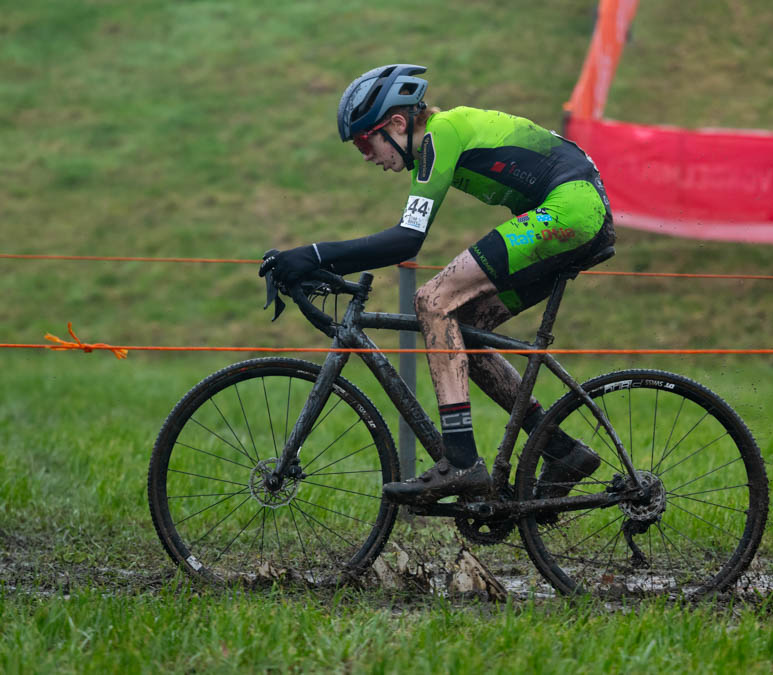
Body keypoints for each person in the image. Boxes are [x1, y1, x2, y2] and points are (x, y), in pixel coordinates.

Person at [259, 64, 614, 505]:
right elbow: (403, 237)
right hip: (577, 214)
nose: (365, 156)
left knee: (433, 300)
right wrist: (318, 258)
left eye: (365, 142)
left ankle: (462, 461)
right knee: (464, 330)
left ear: (397, 123)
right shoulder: (433, 148)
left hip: (571, 211)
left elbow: (406, 240)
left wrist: (313, 254)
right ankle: (561, 450)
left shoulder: (441, 134)